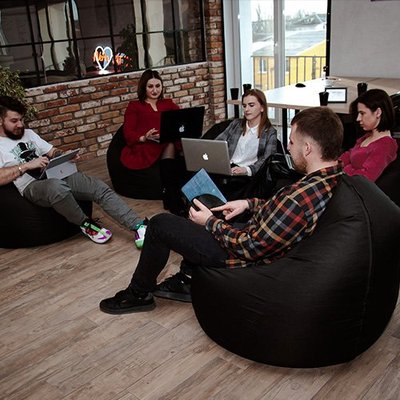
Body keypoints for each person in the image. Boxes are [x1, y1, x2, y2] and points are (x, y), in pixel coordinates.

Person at [99, 106, 344, 314]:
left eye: (291, 141)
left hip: (240, 254)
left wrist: (210, 223)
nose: (288, 147)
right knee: (206, 202)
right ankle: (189, 276)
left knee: (160, 224)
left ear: (308, 148)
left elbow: (250, 247)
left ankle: (138, 294)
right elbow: (280, 213)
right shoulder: (327, 178)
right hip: (253, 232)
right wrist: (248, 203)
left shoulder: (299, 199)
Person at [0, 96, 147, 248]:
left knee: (97, 186)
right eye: (14, 121)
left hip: (52, 174)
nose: (20, 124)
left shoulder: (29, 134)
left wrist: (63, 155)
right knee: (57, 187)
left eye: (21, 120)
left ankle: (138, 225)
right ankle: (86, 224)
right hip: (32, 185)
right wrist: (25, 166)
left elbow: (52, 151)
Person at [115, 69, 188, 214]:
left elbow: (182, 120)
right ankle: (174, 198)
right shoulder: (135, 106)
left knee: (170, 143)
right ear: (144, 87)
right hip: (146, 146)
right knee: (169, 145)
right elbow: (128, 132)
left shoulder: (168, 103)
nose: (155, 90)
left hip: (166, 143)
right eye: (150, 86)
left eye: (158, 86)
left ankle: (170, 194)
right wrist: (144, 137)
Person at [213, 89, 277, 200]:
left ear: (262, 108)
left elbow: (266, 160)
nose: (246, 109)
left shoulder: (270, 132)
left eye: (251, 105)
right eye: (244, 106)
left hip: (247, 175)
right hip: (228, 168)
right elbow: (218, 143)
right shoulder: (236, 124)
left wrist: (246, 169)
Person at [340, 89, 398, 182]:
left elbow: (364, 179)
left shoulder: (385, 145)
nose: (358, 118)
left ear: (378, 113)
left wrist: (344, 171)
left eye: (362, 113)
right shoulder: (367, 136)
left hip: (352, 187)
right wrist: (332, 165)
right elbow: (350, 154)